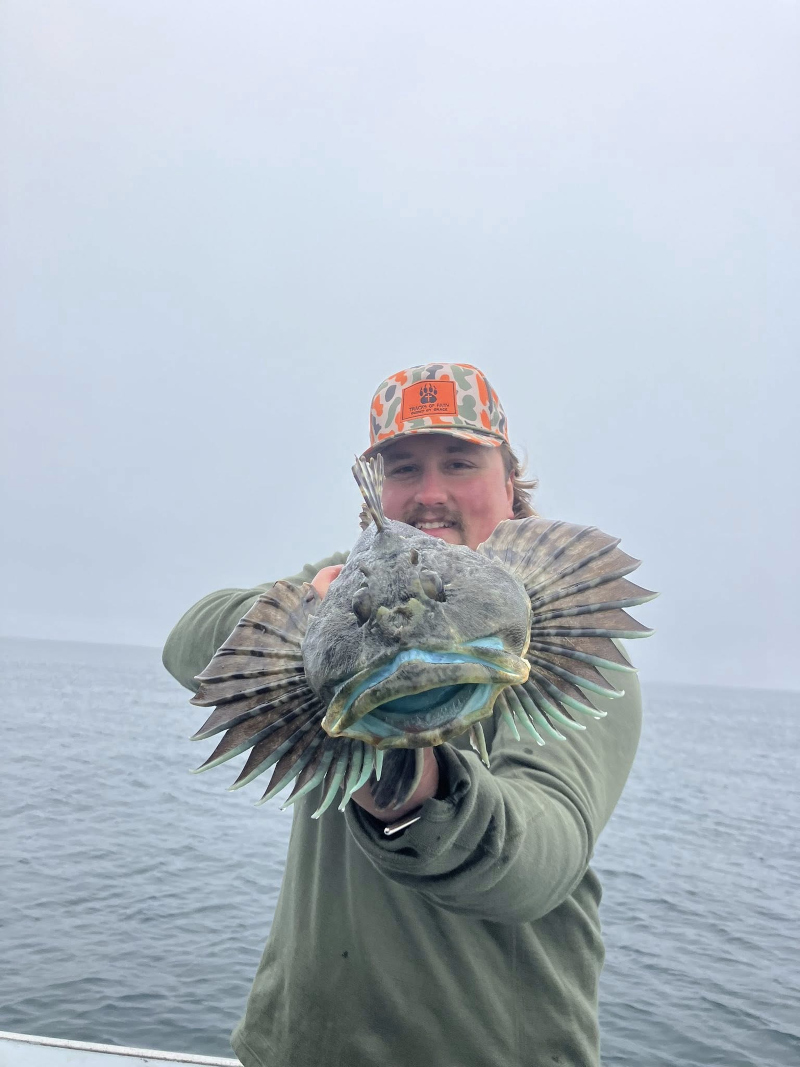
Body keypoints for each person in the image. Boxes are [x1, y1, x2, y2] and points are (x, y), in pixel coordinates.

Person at [162, 362, 643, 1067]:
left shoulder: (573, 640)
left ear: (509, 482)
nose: (431, 494)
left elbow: (541, 857)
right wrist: (306, 623)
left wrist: (409, 788)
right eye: (403, 468)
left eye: (459, 462)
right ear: (374, 494)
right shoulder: (330, 604)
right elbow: (187, 643)